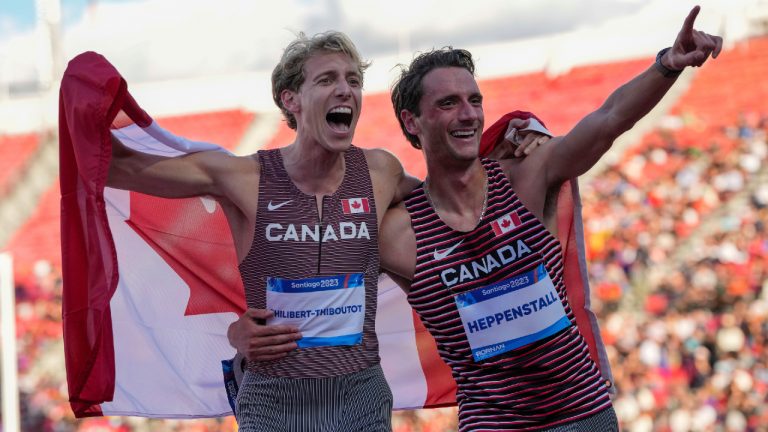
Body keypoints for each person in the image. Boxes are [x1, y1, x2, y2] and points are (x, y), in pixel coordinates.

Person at [107, 31, 549, 431]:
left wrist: (525, 138)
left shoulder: (380, 171)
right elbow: (118, 166)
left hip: (361, 399)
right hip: (274, 403)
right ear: (291, 99)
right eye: (328, 79)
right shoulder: (243, 177)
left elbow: (459, 204)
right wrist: (234, 333)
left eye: (354, 80)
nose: (346, 89)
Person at [378, 6, 721, 431]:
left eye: (474, 100)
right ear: (412, 122)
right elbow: (312, 262)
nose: (468, 114)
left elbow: (609, 119)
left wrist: (667, 64)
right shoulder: (398, 233)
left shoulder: (526, 175)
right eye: (448, 103)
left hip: (584, 413)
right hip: (495, 425)